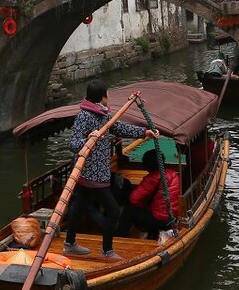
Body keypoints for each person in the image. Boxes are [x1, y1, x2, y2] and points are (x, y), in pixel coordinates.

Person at [63, 79, 158, 261]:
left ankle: (70, 243)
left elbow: (118, 128)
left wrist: (143, 132)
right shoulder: (84, 116)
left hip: (95, 172)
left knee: (79, 206)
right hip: (91, 173)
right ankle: (106, 250)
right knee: (113, 211)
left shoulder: (103, 115)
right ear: (101, 97)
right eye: (107, 94)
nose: (109, 97)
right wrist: (89, 139)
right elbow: (74, 144)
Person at [116, 149, 182, 239]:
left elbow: (133, 198)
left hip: (161, 219)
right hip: (173, 217)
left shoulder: (153, 178)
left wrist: (142, 205)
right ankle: (152, 234)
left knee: (128, 211)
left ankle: (119, 238)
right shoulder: (173, 173)